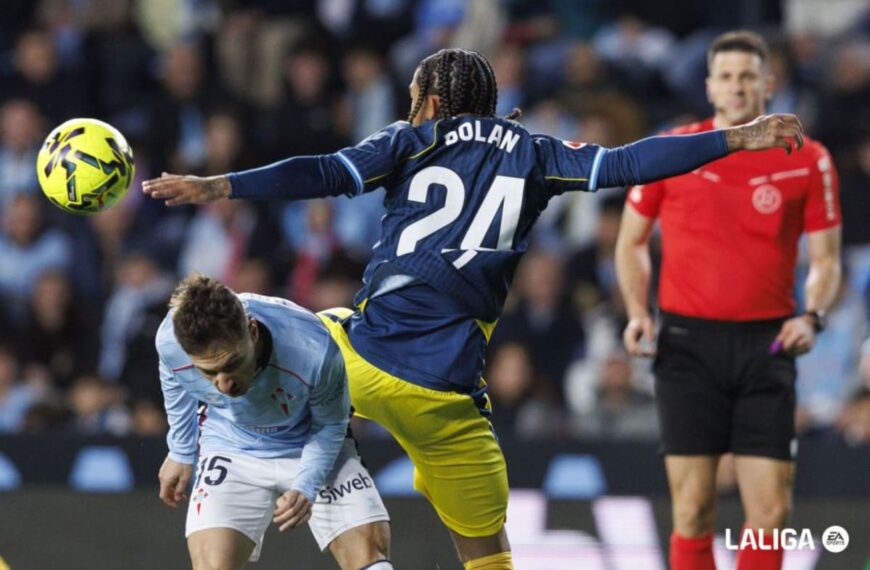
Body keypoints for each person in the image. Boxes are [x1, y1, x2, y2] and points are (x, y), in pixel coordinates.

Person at [144, 48, 805, 570]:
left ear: (430, 101)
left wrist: (222, 184)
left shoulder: (412, 140)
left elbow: (320, 171)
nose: (410, 110)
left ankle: (222, 447)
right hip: (445, 401)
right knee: (488, 556)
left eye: (413, 102)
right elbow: (632, 161)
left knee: (289, 336)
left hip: (360, 363)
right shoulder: (539, 154)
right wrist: (737, 139)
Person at [615, 31, 841, 570]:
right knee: (692, 509)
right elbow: (630, 242)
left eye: (748, 75)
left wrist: (812, 315)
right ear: (710, 86)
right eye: (727, 76)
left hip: (768, 346)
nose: (737, 86)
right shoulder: (674, 150)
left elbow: (827, 261)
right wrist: (638, 311)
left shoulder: (808, 159)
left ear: (769, 82)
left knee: (771, 514)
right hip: (688, 348)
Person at [156, 274, 392, 570]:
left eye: (231, 364)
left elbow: (331, 425)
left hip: (310, 442)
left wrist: (307, 485)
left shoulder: (313, 348)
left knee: (372, 562)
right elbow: (172, 373)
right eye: (209, 373)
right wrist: (180, 449)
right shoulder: (171, 340)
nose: (224, 386)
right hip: (232, 445)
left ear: (252, 331)